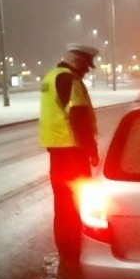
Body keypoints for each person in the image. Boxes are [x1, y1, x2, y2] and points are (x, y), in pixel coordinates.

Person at [39, 43, 100, 263]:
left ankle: (66, 251)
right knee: (78, 203)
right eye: (85, 66)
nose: (86, 71)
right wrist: (91, 150)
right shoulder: (70, 80)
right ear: (76, 62)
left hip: (57, 153)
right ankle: (75, 252)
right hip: (73, 154)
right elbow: (78, 118)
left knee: (62, 205)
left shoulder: (50, 77)